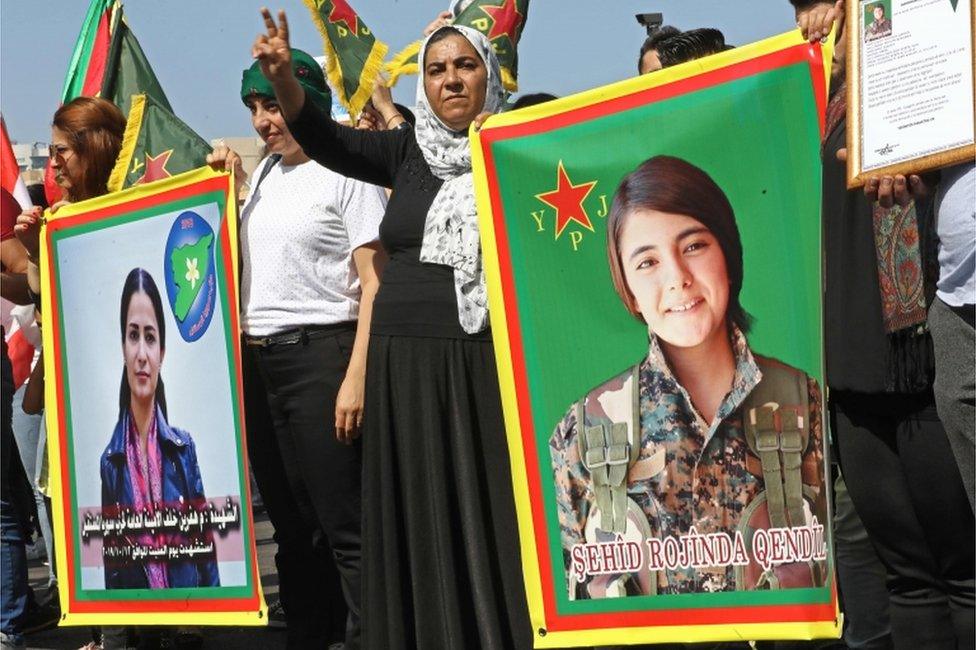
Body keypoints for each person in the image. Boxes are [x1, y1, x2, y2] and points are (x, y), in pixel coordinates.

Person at [252, 10, 532, 648]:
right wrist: (286, 85)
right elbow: (326, 140)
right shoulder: (406, 152)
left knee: (488, 511)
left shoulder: (519, 144)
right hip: (402, 368)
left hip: (480, 363)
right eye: (436, 69)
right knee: (419, 514)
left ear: (490, 74)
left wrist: (508, 146)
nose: (451, 81)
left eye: (465, 66)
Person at [549, 155, 827, 598]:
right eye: (647, 262)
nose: (677, 277)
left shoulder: (805, 402)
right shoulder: (584, 429)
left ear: (728, 256)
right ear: (629, 291)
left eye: (694, 245)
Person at [211, 47, 388, 649]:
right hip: (265, 366)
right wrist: (227, 189)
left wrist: (356, 374)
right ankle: (311, 636)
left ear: (304, 97)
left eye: (274, 104)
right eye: (254, 108)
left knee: (347, 528)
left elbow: (375, 283)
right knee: (291, 527)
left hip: (325, 357)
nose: (264, 120)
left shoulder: (346, 169)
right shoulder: (263, 176)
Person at [815, 6, 975, 645]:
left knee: (965, 570)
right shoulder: (809, 95)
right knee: (906, 574)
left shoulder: (944, 69)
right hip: (854, 368)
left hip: (930, 356)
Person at [100, 268, 219, 590]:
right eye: (133, 335)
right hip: (141, 617)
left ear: (162, 352)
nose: (141, 354)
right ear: (123, 347)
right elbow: (111, 556)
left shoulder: (183, 447)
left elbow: (204, 541)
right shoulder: (111, 460)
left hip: (188, 612)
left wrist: (210, 613)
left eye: (150, 337)